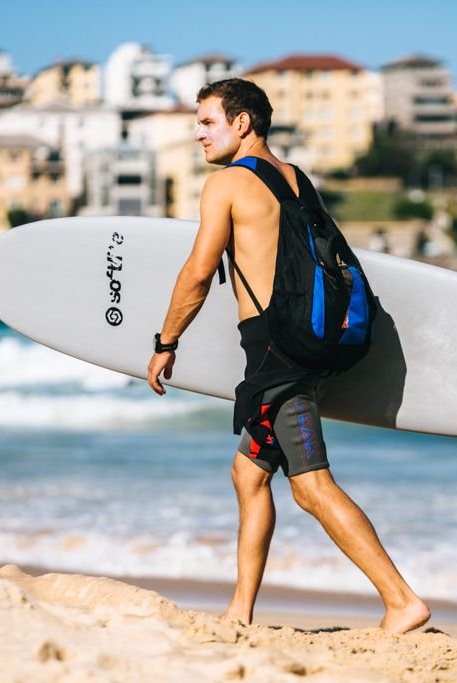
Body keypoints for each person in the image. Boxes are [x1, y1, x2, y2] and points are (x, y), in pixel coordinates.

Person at [146, 78, 430, 635]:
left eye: (207, 122)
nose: (197, 134)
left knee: (310, 485)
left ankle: (402, 601)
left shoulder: (227, 184)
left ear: (242, 123)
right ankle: (240, 613)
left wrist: (166, 342)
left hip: (279, 357)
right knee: (249, 474)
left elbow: (199, 272)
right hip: (314, 342)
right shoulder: (296, 179)